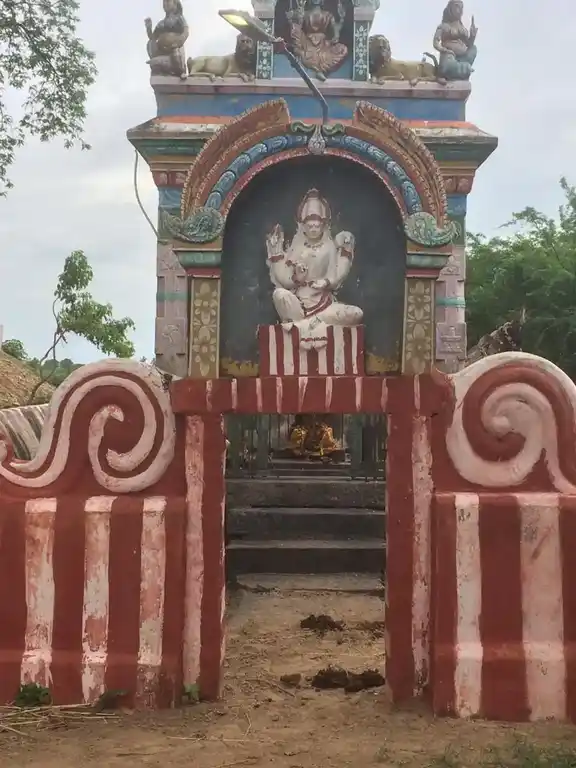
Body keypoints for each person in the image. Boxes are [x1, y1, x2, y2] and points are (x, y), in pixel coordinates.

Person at [266, 189, 362, 350]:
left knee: (356, 313)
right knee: (279, 294)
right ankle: (310, 325)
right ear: (302, 226)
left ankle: (304, 326)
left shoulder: (329, 248)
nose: (313, 229)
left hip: (323, 305)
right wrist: (297, 277)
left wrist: (325, 282)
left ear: (324, 225)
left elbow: (335, 277)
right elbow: (285, 281)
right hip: (299, 304)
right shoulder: (297, 248)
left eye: (317, 226)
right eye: (309, 226)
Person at [432, 0, 477, 82]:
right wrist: (445, 50)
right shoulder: (444, 26)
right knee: (462, 67)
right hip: (449, 58)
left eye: (461, 7)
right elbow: (435, 43)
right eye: (457, 7)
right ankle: (458, 69)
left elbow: (468, 44)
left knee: (473, 48)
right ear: (450, 9)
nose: (460, 10)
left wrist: (472, 36)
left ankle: (463, 67)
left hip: (462, 58)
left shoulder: (462, 28)